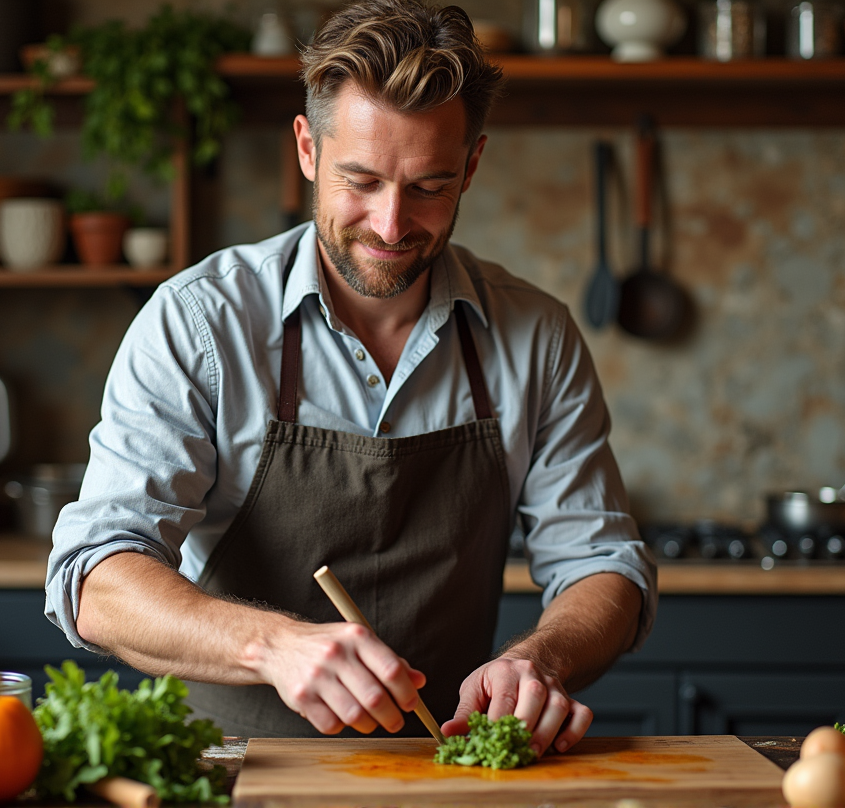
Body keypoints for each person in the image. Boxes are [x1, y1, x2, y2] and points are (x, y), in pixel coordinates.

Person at [46, 0, 656, 757]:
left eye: (430, 186)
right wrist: (272, 646)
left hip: (447, 774)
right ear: (307, 148)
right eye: (360, 180)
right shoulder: (198, 324)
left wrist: (541, 660)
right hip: (235, 771)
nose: (392, 225)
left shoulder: (536, 337)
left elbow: (604, 566)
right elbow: (97, 579)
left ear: (471, 165)